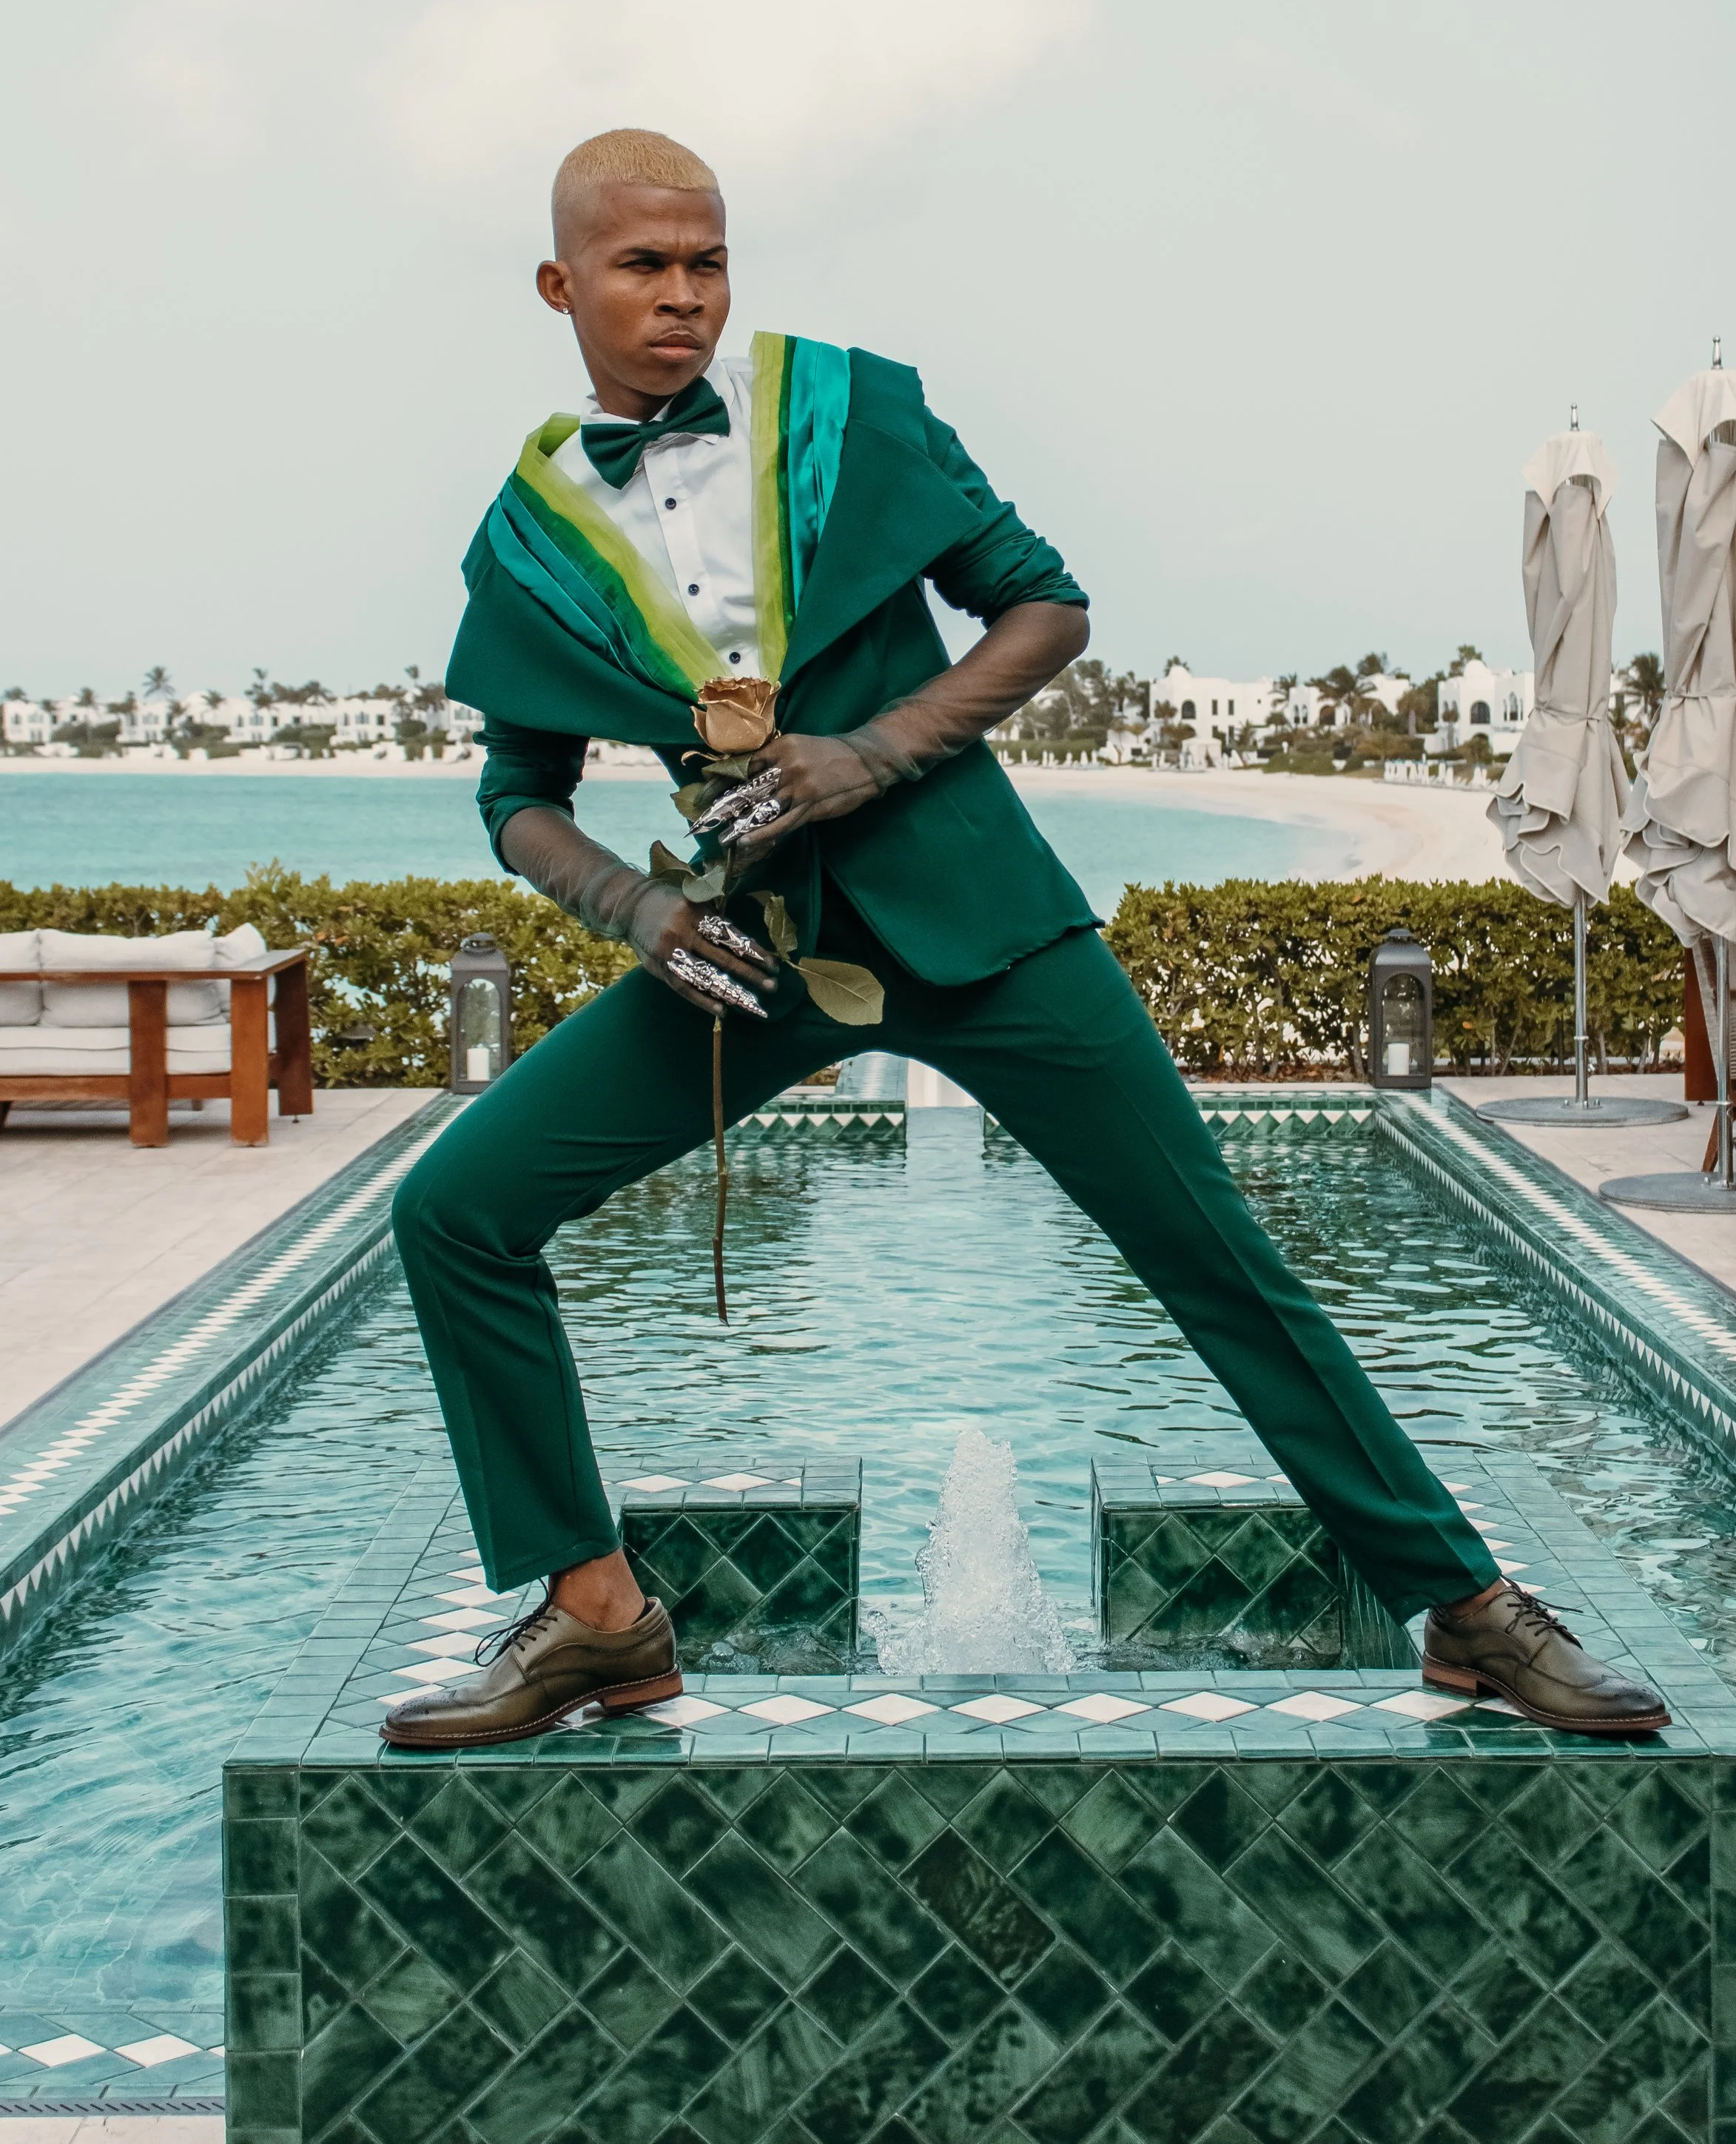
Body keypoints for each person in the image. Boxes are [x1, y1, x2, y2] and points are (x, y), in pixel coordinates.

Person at [384, 126, 1666, 1750]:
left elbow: (1044, 604)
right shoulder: (526, 528)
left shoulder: (850, 407)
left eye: (708, 260)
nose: (683, 298)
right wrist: (636, 909)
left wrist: (871, 752)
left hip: (987, 927)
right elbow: (517, 795)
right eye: (643, 266)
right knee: (456, 1211)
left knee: (1217, 1261)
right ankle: (595, 1618)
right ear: (562, 284)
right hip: (750, 966)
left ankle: (1467, 1610)